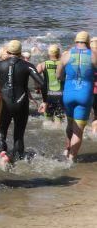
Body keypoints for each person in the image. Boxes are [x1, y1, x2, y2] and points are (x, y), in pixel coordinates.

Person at [0, 40, 44, 166]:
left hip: (4, 103)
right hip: (21, 103)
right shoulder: (28, 66)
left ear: (8, 51)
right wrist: (45, 100)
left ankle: (3, 156)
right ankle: (19, 162)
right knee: (19, 135)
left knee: (1, 132)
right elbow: (42, 83)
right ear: (20, 52)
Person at [58, 31, 96, 161]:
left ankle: (67, 149)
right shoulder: (94, 56)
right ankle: (71, 158)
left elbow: (59, 76)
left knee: (69, 124)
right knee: (78, 131)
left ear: (75, 41)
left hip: (68, 94)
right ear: (88, 42)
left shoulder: (66, 55)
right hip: (84, 94)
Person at [36, 44, 64, 122]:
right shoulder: (63, 64)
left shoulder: (42, 65)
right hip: (61, 95)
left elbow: (35, 77)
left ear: (49, 54)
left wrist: (37, 88)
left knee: (48, 120)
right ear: (59, 53)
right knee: (59, 120)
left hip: (48, 96)